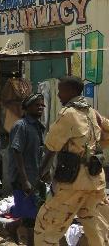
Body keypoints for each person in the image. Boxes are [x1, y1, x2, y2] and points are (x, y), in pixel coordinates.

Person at [34, 76, 109, 245]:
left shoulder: (67, 114)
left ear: (71, 91)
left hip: (73, 182)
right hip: (96, 180)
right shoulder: (91, 112)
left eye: (61, 91)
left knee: (46, 225)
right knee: (98, 228)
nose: (59, 95)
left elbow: (51, 148)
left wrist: (40, 175)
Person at [5, 93, 46, 246]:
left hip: (36, 177)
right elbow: (17, 151)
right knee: (31, 219)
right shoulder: (20, 126)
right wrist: (24, 180)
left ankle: (11, 226)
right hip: (23, 179)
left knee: (35, 213)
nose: (40, 107)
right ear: (27, 107)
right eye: (37, 104)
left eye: (42, 104)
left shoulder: (39, 127)